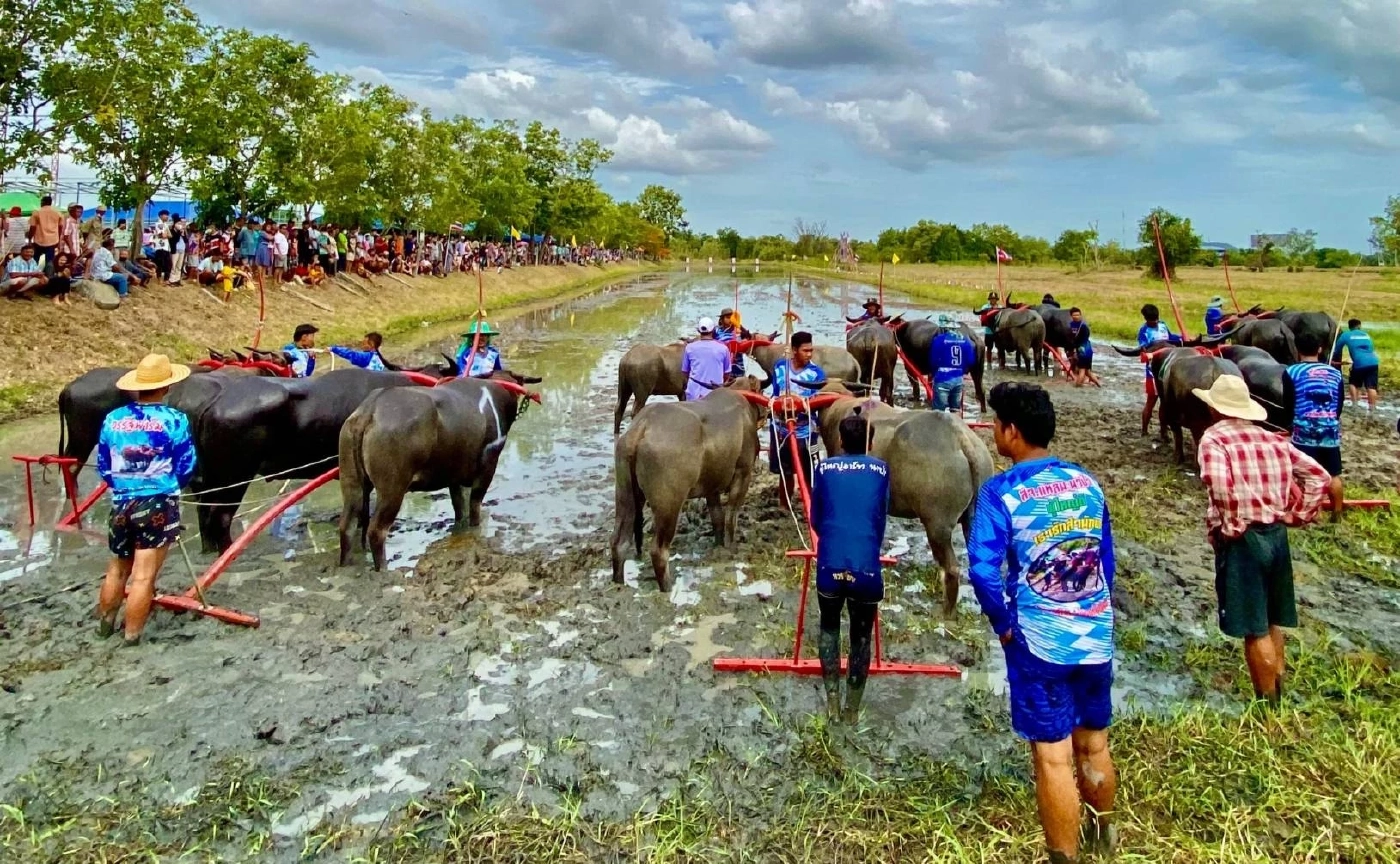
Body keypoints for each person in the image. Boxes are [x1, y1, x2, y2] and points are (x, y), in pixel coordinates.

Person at [968, 382, 1118, 864]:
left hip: (1040, 642)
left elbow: (983, 570)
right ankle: (1105, 835)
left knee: (1053, 756)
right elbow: (1104, 563)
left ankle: (1064, 857)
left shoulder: (1000, 492)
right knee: (1093, 743)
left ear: (1011, 432)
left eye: (996, 424)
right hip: (1095, 634)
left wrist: (1003, 623)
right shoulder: (1086, 482)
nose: (994, 431)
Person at [1194, 375, 1330, 707]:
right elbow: (1319, 477)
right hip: (1276, 535)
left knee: (1253, 627)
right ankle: (1279, 689)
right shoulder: (1273, 440)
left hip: (1245, 539)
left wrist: (1231, 524)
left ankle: (1267, 707)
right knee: (1272, 619)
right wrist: (1296, 515)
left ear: (1214, 409)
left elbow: (1217, 483)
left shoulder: (1214, 439)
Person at [95, 353, 198, 646]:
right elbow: (187, 463)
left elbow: (104, 463)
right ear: (166, 387)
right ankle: (131, 637)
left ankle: (104, 628)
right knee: (143, 576)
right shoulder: (174, 420)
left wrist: (122, 486)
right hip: (157, 502)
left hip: (121, 502)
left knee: (116, 569)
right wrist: (170, 487)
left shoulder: (113, 419)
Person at [810, 410, 890, 723]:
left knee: (829, 627)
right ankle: (852, 711)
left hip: (829, 565)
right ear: (870, 442)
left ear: (840, 441)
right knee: (861, 638)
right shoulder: (881, 470)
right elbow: (880, 518)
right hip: (866, 569)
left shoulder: (825, 469)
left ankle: (831, 703)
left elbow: (816, 519)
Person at [1287, 333, 1346, 522]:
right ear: (1320, 350)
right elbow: (1339, 403)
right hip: (1329, 428)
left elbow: (1289, 402)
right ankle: (1337, 512)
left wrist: (1291, 424)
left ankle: (1315, 513)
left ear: (1297, 350)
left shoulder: (1292, 372)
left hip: (1303, 429)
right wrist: (1330, 420)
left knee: (1306, 474)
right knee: (1334, 474)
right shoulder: (1335, 373)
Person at [768, 331, 827, 510]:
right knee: (784, 470)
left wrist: (801, 405)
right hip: (781, 428)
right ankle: (784, 506)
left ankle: (810, 506)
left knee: (811, 470)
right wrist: (776, 405)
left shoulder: (817, 374)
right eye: (805, 351)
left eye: (811, 350)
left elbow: (818, 402)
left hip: (807, 430)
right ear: (794, 350)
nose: (809, 354)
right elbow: (775, 393)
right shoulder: (780, 367)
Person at [1137, 303, 1182, 436]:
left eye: (1156, 319)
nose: (1155, 322)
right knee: (1151, 401)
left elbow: (1170, 337)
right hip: (1153, 370)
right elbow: (1143, 348)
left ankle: (1163, 431)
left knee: (1165, 402)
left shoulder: (1163, 325)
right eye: (1152, 320)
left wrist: (1180, 338)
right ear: (1146, 319)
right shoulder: (1143, 331)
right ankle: (1144, 430)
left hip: (1167, 366)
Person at [1331, 318, 1380, 413]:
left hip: (1359, 362)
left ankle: (1355, 405)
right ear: (1359, 326)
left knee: (1353, 383)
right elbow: (1370, 348)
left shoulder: (1346, 335)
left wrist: (1334, 359)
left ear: (1349, 327)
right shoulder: (1366, 335)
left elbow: (1337, 349)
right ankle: (1372, 408)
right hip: (1373, 361)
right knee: (1371, 387)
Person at [929, 314, 975, 411]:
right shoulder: (965, 341)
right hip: (958, 379)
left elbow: (933, 361)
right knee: (955, 410)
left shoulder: (939, 340)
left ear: (944, 328)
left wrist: (934, 374)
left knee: (938, 412)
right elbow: (971, 361)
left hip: (942, 378)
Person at [681, 317, 732, 401]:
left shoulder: (689, 348)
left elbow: (685, 372)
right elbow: (727, 373)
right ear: (713, 330)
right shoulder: (723, 348)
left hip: (693, 394)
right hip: (715, 395)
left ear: (699, 331)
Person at [27, 195, 62, 274]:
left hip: (39, 240)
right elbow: (60, 227)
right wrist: (58, 239)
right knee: (49, 260)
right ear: (50, 203)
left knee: (35, 259)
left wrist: (29, 237)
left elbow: (33, 227)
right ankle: (49, 278)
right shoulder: (58, 213)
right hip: (52, 241)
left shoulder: (37, 213)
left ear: (43, 202)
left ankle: (32, 275)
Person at [1068, 307, 1100, 388]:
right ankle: (1099, 385)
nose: (1076, 316)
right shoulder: (1071, 325)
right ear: (1071, 316)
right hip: (1084, 349)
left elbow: (1083, 339)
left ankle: (1077, 386)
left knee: (1082, 370)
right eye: (1074, 315)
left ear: (1080, 315)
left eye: (1078, 315)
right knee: (1087, 372)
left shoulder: (1084, 326)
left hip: (1084, 349)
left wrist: (1075, 350)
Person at [715, 307, 752, 375]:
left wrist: (738, 325)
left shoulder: (738, 330)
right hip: (721, 365)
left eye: (732, 317)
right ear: (722, 319)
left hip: (738, 366)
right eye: (728, 317)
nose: (730, 320)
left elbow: (749, 336)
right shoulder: (716, 330)